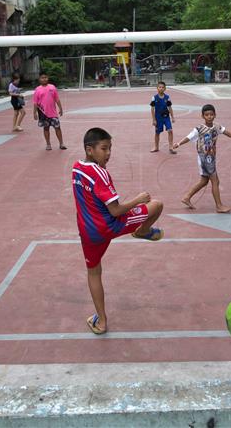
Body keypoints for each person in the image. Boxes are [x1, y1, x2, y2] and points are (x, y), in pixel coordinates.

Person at [72, 127, 164, 335]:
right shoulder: (101, 174)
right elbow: (115, 210)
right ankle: (142, 231)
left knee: (94, 272)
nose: (108, 153)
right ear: (89, 149)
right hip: (111, 225)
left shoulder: (76, 169)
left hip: (88, 233)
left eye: (110, 148)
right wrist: (138, 200)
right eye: (104, 148)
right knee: (156, 205)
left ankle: (102, 321)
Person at [172, 103, 231, 213]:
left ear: (215, 115)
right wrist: (179, 143)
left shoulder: (217, 127)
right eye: (207, 115)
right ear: (202, 116)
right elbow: (188, 137)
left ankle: (187, 197)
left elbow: (227, 133)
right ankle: (219, 206)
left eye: (211, 114)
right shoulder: (199, 129)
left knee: (204, 181)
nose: (209, 116)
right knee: (215, 180)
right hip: (205, 158)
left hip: (211, 157)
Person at [32, 72, 66, 150]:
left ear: (48, 78)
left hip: (53, 113)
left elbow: (57, 99)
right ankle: (48, 144)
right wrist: (34, 113)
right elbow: (35, 103)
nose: (44, 79)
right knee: (46, 128)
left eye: (45, 77)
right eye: (42, 78)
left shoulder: (52, 87)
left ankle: (61, 143)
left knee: (58, 128)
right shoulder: (37, 90)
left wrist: (60, 108)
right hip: (43, 113)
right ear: (39, 79)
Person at [150, 81, 176, 154]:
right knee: (157, 133)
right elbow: (152, 109)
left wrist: (172, 117)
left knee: (170, 130)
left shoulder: (167, 97)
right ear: (157, 88)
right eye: (159, 87)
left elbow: (170, 107)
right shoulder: (154, 98)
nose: (161, 88)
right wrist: (154, 119)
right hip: (158, 118)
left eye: (162, 87)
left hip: (166, 117)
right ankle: (156, 147)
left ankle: (171, 147)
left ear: (165, 89)